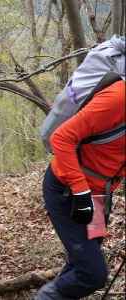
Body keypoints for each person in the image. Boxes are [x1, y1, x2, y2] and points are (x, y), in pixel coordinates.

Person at [35, 80, 125, 299]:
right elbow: (61, 138)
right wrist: (81, 191)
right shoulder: (117, 99)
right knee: (92, 274)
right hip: (67, 190)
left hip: (99, 195)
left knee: (82, 262)